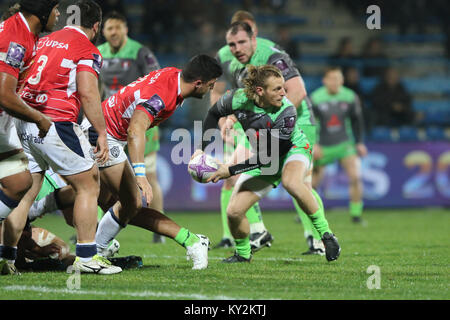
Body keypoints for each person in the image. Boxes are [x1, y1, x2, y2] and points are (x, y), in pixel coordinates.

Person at [15, 0, 122, 275]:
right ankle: (87, 256)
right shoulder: (87, 49)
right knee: (88, 185)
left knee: (26, 194)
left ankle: (7, 255)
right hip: (54, 122)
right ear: (96, 26)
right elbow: (88, 93)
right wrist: (100, 132)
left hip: (23, 121)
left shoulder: (45, 40)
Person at [196, 65, 341, 263]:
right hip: (264, 155)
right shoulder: (236, 98)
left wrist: (229, 170)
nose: (284, 92)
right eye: (277, 89)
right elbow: (213, 114)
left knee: (292, 182)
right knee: (234, 212)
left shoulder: (287, 111)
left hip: (292, 150)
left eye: (283, 87)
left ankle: (327, 235)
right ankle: (243, 254)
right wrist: (200, 149)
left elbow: (269, 157)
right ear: (259, 91)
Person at [90, 54, 222, 270]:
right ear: (198, 83)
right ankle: (191, 241)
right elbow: (135, 129)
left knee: (105, 199)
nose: (210, 89)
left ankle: (95, 248)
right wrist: (141, 175)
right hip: (102, 135)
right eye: (210, 85)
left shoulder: (172, 75)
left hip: (103, 129)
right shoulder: (163, 96)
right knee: (130, 201)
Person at [212, 17, 326, 255]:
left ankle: (318, 240)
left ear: (253, 36)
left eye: (242, 42)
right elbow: (218, 89)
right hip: (256, 123)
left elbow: (298, 92)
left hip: (296, 121)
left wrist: (273, 126)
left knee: (298, 182)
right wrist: (226, 120)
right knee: (232, 172)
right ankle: (257, 231)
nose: (237, 49)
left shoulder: (272, 55)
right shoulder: (225, 56)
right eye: (233, 44)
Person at [0, 0, 57, 275]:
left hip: (3, 119)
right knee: (18, 181)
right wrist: (39, 117)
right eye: (56, 8)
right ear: (43, 13)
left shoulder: (25, 34)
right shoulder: (16, 39)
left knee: (19, 181)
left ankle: (4, 256)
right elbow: (4, 94)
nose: (59, 14)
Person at [97, 10, 164, 243]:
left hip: (142, 123)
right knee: (99, 178)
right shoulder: (98, 53)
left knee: (150, 176)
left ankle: (159, 229)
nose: (114, 32)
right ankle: (97, 229)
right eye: (109, 28)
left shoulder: (140, 52)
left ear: (126, 29)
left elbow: (157, 81)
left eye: (118, 28)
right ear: (103, 31)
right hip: (110, 123)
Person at [311, 67, 367, 223]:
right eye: (332, 79)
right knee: (312, 184)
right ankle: (308, 212)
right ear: (325, 80)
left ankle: (356, 215)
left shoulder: (349, 96)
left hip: (345, 144)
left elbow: (357, 121)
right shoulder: (316, 98)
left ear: (342, 80)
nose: (335, 82)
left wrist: (360, 142)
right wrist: (314, 144)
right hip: (323, 145)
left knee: (355, 177)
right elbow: (311, 123)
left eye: (338, 79)